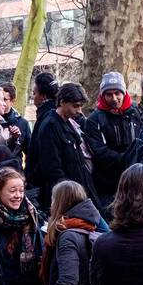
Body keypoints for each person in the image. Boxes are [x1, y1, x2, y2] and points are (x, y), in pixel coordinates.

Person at [41, 82, 103, 212]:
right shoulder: (50, 126)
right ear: (62, 102)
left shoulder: (69, 124)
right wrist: (69, 195)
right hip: (69, 198)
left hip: (82, 191)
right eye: (75, 106)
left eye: (80, 106)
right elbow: (52, 168)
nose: (79, 111)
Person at [83, 71, 143, 202]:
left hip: (137, 179)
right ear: (103, 95)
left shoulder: (136, 112)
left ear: (124, 92)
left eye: (117, 93)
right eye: (109, 95)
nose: (114, 98)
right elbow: (99, 150)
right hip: (108, 184)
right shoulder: (94, 120)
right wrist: (126, 159)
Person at [25, 72, 60, 212]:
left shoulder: (47, 119)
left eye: (34, 93)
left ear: (43, 96)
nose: (33, 97)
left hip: (46, 186)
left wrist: (33, 176)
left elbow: (44, 155)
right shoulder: (49, 116)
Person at [0, 82, 31, 165]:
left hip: (15, 171)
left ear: (12, 101)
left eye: (4, 99)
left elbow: (30, 152)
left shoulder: (23, 123)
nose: (1, 102)